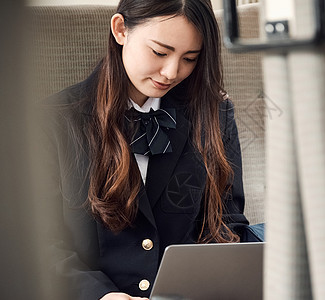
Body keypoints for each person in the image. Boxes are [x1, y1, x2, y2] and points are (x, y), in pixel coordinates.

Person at [38, 0, 260, 299]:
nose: (172, 72)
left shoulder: (215, 114)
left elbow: (227, 223)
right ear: (120, 30)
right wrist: (99, 295)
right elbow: (38, 245)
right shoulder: (50, 121)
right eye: (160, 52)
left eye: (190, 58)